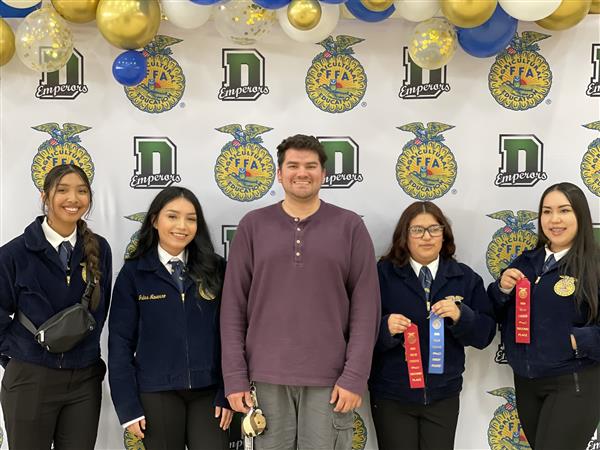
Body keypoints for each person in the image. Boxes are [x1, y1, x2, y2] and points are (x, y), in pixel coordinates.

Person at [220, 134, 380, 450]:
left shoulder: (350, 227)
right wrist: (235, 377)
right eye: (292, 165)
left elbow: (366, 309)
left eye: (310, 166)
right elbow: (233, 308)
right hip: (264, 379)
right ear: (279, 174)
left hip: (330, 382)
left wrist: (354, 376)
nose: (301, 173)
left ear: (323, 173)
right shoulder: (253, 226)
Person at [108, 186, 232, 450]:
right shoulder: (134, 274)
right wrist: (127, 406)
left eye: (191, 218)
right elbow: (119, 343)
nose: (182, 226)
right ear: (154, 220)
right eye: (172, 216)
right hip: (156, 392)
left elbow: (232, 334)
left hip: (209, 393)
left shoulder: (217, 269)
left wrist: (227, 391)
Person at [0, 164, 112, 450]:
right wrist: (20, 357)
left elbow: (98, 314)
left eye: (82, 191)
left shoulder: (100, 248)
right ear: (44, 196)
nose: (73, 199)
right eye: (62, 190)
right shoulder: (14, 253)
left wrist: (83, 356)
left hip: (84, 381)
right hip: (29, 379)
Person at [370, 201, 496, 450]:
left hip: (443, 395)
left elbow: (485, 335)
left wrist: (463, 317)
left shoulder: (465, 277)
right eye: (417, 230)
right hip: (392, 395)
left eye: (434, 229)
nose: (426, 237)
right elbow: (356, 332)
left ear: (444, 234)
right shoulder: (380, 276)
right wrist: (384, 328)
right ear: (404, 236)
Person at [488, 182, 600, 450]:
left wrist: (574, 340)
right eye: (547, 211)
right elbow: (492, 312)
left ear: (580, 216)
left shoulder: (594, 265)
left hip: (573, 382)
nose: (555, 219)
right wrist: (501, 289)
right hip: (527, 383)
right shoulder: (526, 261)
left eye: (564, 210)